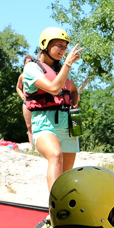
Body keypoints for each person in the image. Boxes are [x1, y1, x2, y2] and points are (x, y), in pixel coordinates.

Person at [22, 27, 84, 190]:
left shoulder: (62, 69)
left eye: (65, 47)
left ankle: (62, 211)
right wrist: (69, 64)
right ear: (44, 44)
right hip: (45, 125)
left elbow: (72, 89)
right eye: (59, 45)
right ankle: (53, 207)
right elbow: (54, 88)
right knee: (55, 156)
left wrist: (74, 104)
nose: (63, 50)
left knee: (66, 177)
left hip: (68, 125)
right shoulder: (31, 69)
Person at [15, 54, 36, 147]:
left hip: (36, 101)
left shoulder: (37, 74)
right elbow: (18, 87)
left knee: (38, 124)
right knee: (29, 126)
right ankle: (32, 146)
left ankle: (39, 146)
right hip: (26, 102)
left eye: (30, 62)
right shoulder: (22, 76)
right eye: (26, 63)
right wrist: (21, 95)